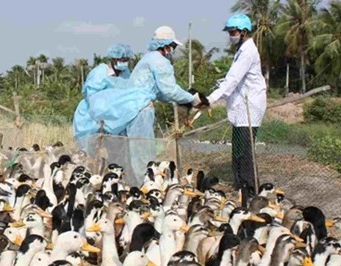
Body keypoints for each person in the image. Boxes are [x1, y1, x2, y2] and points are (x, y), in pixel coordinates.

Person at [88, 26, 204, 184]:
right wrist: (192, 99)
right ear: (167, 45)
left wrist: (183, 100)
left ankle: (133, 183)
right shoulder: (160, 62)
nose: (173, 50)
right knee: (143, 152)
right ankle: (145, 185)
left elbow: (159, 92)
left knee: (134, 150)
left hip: (131, 109)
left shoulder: (147, 58)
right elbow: (169, 90)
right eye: (173, 46)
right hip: (141, 109)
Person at [205, 14, 267, 191]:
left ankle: (250, 188)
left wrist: (210, 99)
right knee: (238, 150)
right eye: (230, 32)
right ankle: (239, 184)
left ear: (243, 31)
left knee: (246, 151)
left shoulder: (248, 52)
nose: (230, 35)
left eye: (233, 32)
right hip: (241, 108)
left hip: (250, 108)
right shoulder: (241, 51)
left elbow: (231, 80)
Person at [72, 43, 134, 153]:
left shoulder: (126, 74)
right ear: (113, 59)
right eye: (121, 59)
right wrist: (103, 112)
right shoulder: (100, 73)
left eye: (126, 60)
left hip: (116, 117)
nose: (124, 62)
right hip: (92, 117)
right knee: (91, 150)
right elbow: (91, 96)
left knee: (117, 150)